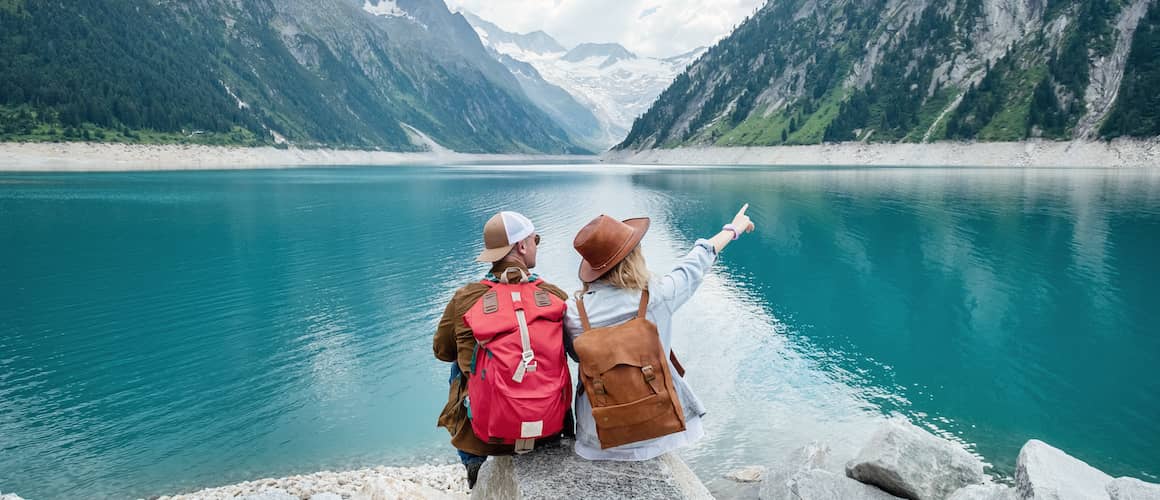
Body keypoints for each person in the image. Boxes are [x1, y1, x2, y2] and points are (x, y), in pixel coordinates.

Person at [564, 204, 755, 461]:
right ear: (633, 257)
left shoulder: (574, 314)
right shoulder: (657, 295)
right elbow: (695, 263)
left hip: (598, 436)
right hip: (658, 429)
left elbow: (578, 358)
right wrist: (733, 228)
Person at [433, 211, 572, 487]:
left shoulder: (465, 298)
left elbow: (441, 350)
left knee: (462, 364)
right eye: (535, 240)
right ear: (521, 246)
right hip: (549, 428)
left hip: (487, 436)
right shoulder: (555, 296)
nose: (535, 246)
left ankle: (474, 469)